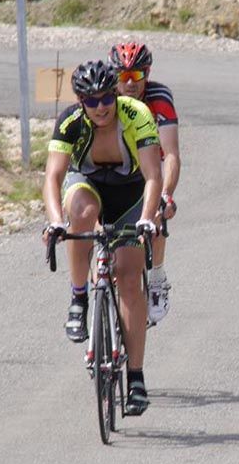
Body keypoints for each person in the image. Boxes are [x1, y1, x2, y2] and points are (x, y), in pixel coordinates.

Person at [41, 60, 162, 415]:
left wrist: (145, 221)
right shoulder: (70, 121)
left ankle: (136, 378)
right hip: (89, 186)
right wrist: (54, 222)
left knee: (127, 278)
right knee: (80, 216)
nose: (100, 107)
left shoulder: (136, 113)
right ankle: (79, 298)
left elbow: (153, 175)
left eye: (106, 97)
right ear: (80, 101)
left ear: (115, 95)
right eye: (90, 101)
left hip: (131, 194)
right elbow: (53, 177)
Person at [109, 42, 181, 326]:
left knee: (156, 212)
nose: (128, 84)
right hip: (116, 168)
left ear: (147, 74)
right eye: (123, 77)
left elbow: (171, 153)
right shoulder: (104, 98)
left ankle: (157, 278)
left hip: (148, 168)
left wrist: (167, 194)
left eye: (135, 77)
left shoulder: (159, 96)